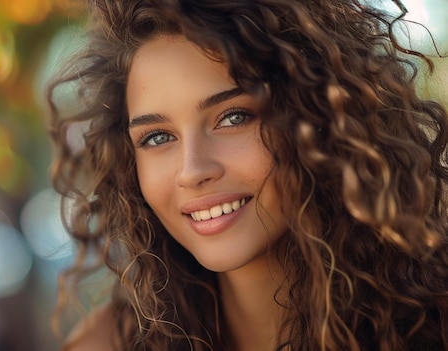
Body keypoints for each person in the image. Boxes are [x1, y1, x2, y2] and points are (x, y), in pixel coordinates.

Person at [45, 0, 448, 350]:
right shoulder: (109, 344)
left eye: (233, 117)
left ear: (322, 117)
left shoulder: (434, 321)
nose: (193, 171)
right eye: (156, 137)